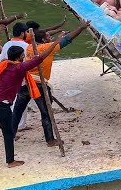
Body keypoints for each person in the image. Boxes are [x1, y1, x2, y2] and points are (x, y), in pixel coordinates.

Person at [0, 32, 65, 168]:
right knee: (7, 132)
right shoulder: (18, 68)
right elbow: (42, 57)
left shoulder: (4, 63)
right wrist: (56, 42)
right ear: (19, 57)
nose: (25, 57)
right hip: (0, 103)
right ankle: (10, 161)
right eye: (23, 56)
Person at [12, 18, 90, 146]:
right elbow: (67, 40)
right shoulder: (46, 48)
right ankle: (50, 140)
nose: (50, 38)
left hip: (25, 83)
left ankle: (11, 135)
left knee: (17, 111)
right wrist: (81, 28)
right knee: (46, 113)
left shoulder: (29, 47)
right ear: (43, 40)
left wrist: (59, 31)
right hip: (38, 84)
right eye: (48, 37)